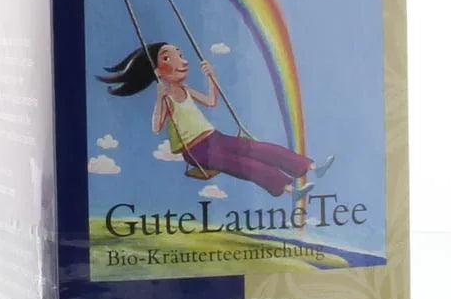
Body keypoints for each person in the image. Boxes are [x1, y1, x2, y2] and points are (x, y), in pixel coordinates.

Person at [97, 42, 333, 197]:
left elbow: (211, 101)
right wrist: (159, 98)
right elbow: (156, 127)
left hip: (214, 137)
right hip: (196, 151)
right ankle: (290, 189)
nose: (182, 61)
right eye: (170, 58)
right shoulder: (166, 98)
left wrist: (212, 78)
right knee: (244, 164)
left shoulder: (186, 90)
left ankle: (310, 166)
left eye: (180, 55)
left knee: (259, 149)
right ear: (158, 72)